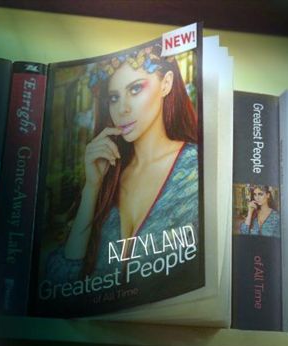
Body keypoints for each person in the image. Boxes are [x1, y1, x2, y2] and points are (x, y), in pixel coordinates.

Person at [47, 43, 199, 283]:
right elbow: (63, 278)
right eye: (114, 97)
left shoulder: (196, 169)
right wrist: (92, 189)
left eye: (135, 89)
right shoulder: (110, 174)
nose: (122, 109)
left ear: (166, 84)